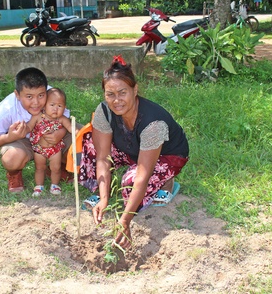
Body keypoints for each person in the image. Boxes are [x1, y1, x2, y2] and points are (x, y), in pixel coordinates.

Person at [78, 55, 189, 249]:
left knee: (130, 183)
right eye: (110, 94)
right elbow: (103, 158)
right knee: (89, 145)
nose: (116, 100)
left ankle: (167, 181)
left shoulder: (153, 122)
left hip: (167, 155)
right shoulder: (104, 111)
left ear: (135, 90)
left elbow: (142, 178)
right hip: (133, 149)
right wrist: (105, 199)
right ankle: (101, 193)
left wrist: (125, 220)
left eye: (123, 93)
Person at [0, 67, 73, 193]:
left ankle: (57, 167)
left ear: (46, 92)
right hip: (22, 141)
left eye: (41, 96)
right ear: (17, 95)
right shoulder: (7, 108)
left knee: (82, 136)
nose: (36, 102)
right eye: (29, 96)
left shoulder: (53, 94)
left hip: (52, 139)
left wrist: (60, 132)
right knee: (11, 159)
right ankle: (15, 173)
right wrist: (9, 137)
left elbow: (65, 119)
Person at [28, 88, 78, 196]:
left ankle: (55, 185)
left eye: (59, 106)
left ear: (64, 108)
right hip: (39, 149)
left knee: (56, 168)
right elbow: (29, 127)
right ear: (44, 105)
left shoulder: (62, 119)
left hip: (55, 149)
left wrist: (75, 131)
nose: (55, 109)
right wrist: (22, 128)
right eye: (52, 105)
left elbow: (70, 128)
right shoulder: (37, 117)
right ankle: (39, 186)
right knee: (39, 167)